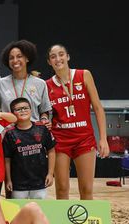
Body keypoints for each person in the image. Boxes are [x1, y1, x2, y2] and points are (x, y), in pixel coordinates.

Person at [45, 44, 109, 200]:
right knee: (61, 189)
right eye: (53, 56)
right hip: (60, 140)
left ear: (67, 56)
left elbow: (98, 108)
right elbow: (46, 115)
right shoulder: (46, 85)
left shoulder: (84, 75)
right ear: (49, 62)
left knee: (86, 189)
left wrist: (103, 139)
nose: (58, 59)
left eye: (61, 54)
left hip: (84, 139)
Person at [3, 98, 56, 199]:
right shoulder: (10, 134)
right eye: (18, 109)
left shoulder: (42, 129)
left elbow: (51, 151)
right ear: (13, 113)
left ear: (31, 110)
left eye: (25, 108)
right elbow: (7, 159)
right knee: (19, 212)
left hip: (40, 182)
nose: (23, 111)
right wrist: (9, 180)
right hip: (18, 185)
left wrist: (50, 173)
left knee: (40, 211)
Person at [0, 40, 51, 124]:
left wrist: (44, 119)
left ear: (27, 58)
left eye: (19, 56)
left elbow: (44, 111)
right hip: (9, 133)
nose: (15, 60)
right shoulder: (1, 83)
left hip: (33, 133)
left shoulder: (40, 83)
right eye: (11, 58)